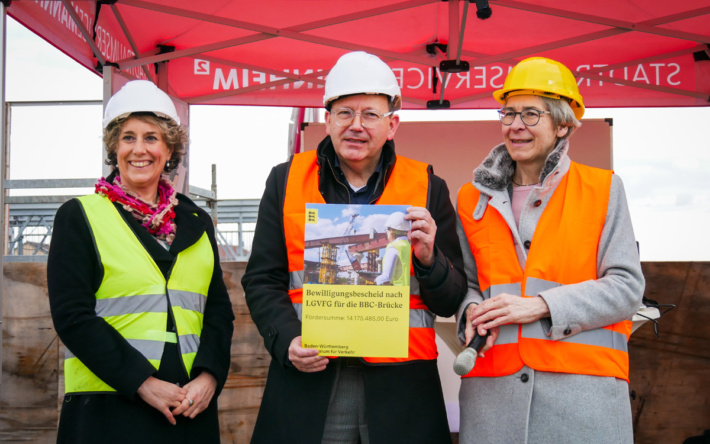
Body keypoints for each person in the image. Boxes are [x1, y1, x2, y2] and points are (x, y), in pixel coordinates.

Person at [242, 51, 466, 444]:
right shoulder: (285, 181)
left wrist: (431, 260)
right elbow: (262, 278)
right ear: (327, 120)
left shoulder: (429, 187)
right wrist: (288, 338)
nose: (356, 126)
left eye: (370, 115)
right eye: (344, 113)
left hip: (402, 391)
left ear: (392, 124)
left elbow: (450, 300)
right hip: (312, 384)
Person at [455, 56, 645, 443]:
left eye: (530, 114)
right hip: (493, 403)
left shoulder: (603, 190)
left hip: (582, 403)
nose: (515, 126)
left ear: (562, 124)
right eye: (508, 113)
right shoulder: (470, 197)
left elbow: (626, 288)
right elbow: (467, 285)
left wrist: (541, 305)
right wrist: (469, 310)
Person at [47, 80, 235, 444]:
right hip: (109, 408)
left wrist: (210, 377)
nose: (139, 149)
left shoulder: (197, 222)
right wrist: (143, 382)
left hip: (188, 408)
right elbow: (72, 316)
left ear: (168, 150)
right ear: (114, 147)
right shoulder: (80, 216)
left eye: (151, 138)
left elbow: (217, 312)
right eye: (128, 137)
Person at [375, 211, 410, 286]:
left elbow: (387, 277)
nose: (386, 232)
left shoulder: (394, 247)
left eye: (387, 230)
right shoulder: (408, 246)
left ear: (391, 230)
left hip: (395, 292)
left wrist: (373, 279)